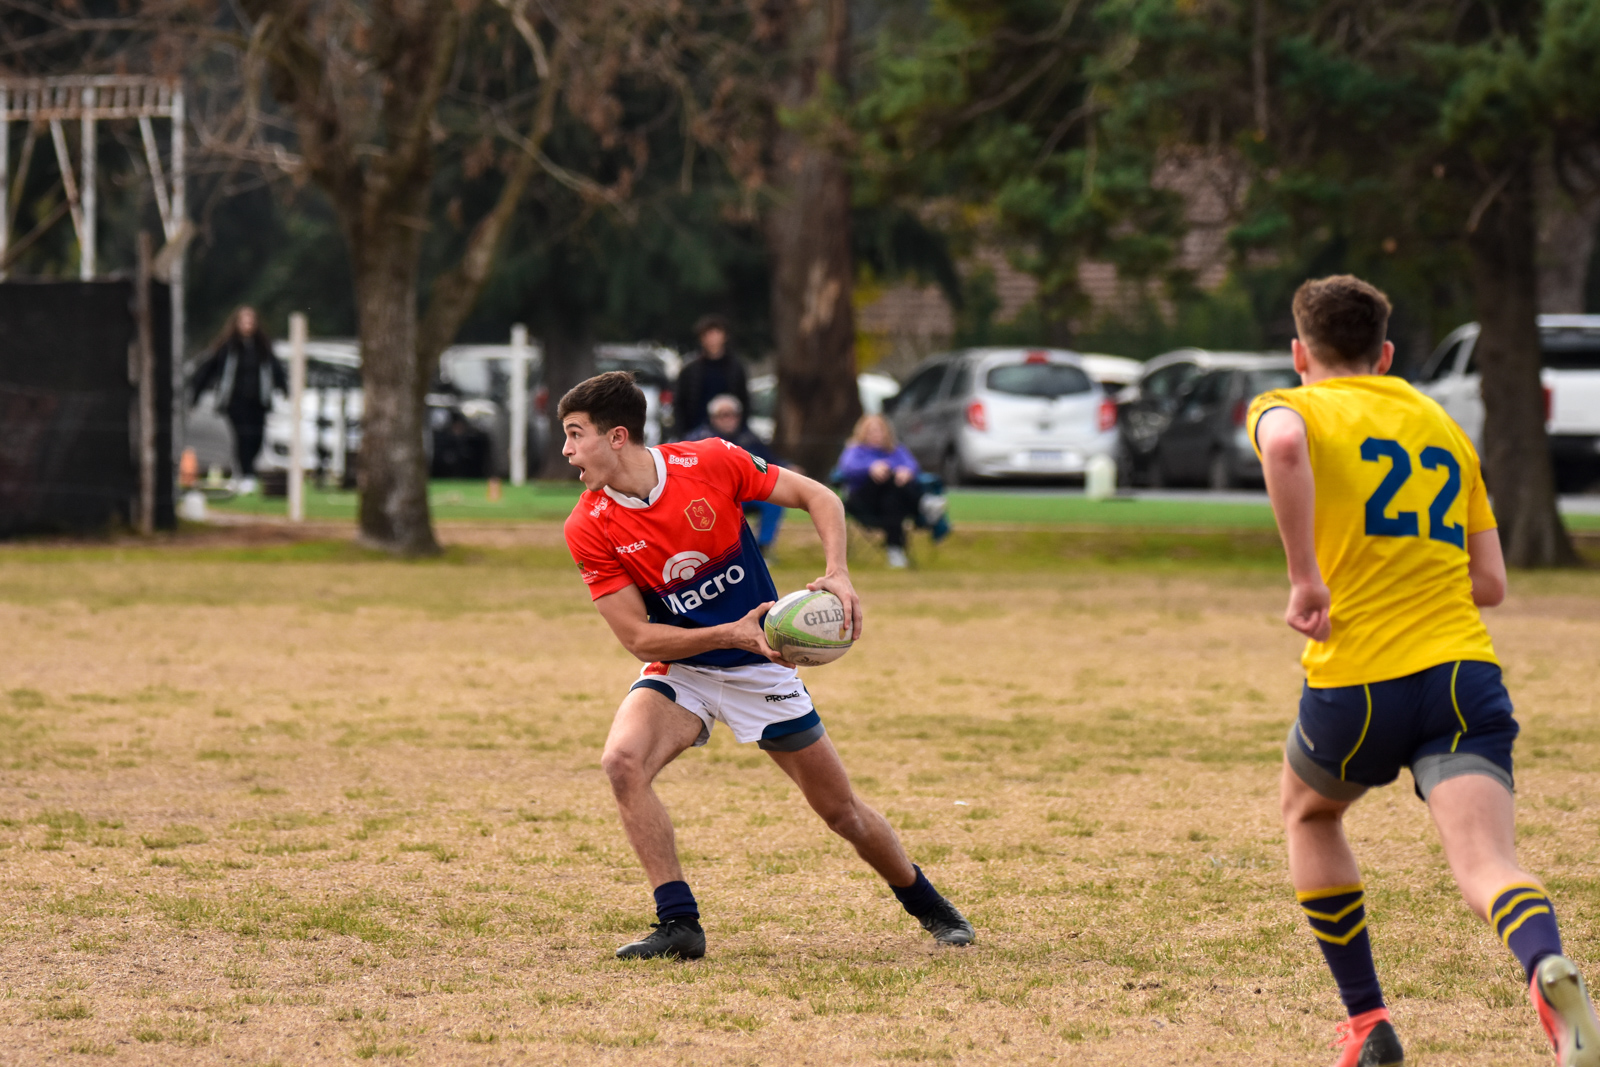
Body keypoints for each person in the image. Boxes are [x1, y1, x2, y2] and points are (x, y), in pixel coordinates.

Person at [1249, 275, 1600, 1067]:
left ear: (1300, 352)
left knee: (1310, 811)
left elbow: (1281, 447)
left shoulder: (1293, 405)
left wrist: (1307, 576)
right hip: (1464, 674)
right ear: (1389, 353)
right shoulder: (1443, 425)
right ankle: (1544, 961)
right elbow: (1491, 585)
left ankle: (1367, 1021)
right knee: (1487, 865)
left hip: (1361, 680)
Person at [559, 371, 973, 961]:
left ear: (617, 436)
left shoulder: (709, 461)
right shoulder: (589, 524)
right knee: (623, 763)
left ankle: (926, 902)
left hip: (765, 671)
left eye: (576, 435)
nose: (568, 450)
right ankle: (679, 923)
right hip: (687, 669)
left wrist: (838, 572)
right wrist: (730, 633)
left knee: (842, 813)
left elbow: (819, 496)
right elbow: (638, 637)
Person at [188, 307, 286, 494]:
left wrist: (284, 389)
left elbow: (276, 370)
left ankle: (247, 472)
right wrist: (195, 396)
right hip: (235, 402)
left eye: (251, 321)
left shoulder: (262, 348)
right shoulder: (228, 348)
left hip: (259, 402)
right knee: (242, 437)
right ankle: (246, 474)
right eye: (244, 321)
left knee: (257, 438)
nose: (247, 325)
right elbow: (207, 371)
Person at [834, 414, 948, 569]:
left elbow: (913, 466)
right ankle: (924, 504)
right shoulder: (855, 450)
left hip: (892, 504)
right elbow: (847, 468)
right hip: (864, 502)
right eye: (871, 431)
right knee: (888, 479)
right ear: (863, 432)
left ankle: (895, 552)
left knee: (893, 496)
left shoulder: (896, 450)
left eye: (879, 431)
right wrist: (871, 468)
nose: (876, 435)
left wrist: (906, 471)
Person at [686, 394, 785, 557]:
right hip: (716, 495)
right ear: (713, 417)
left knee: (774, 502)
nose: (729, 419)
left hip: (747, 492)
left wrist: (788, 467)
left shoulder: (749, 438)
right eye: (723, 415)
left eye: (733, 414)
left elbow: (769, 462)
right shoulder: (697, 440)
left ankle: (763, 547)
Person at [672, 315, 748, 442]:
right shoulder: (690, 369)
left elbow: (744, 399)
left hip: (729, 432)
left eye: (716, 333)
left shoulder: (736, 368)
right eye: (708, 334)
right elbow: (680, 403)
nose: (713, 339)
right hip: (696, 429)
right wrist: (682, 432)